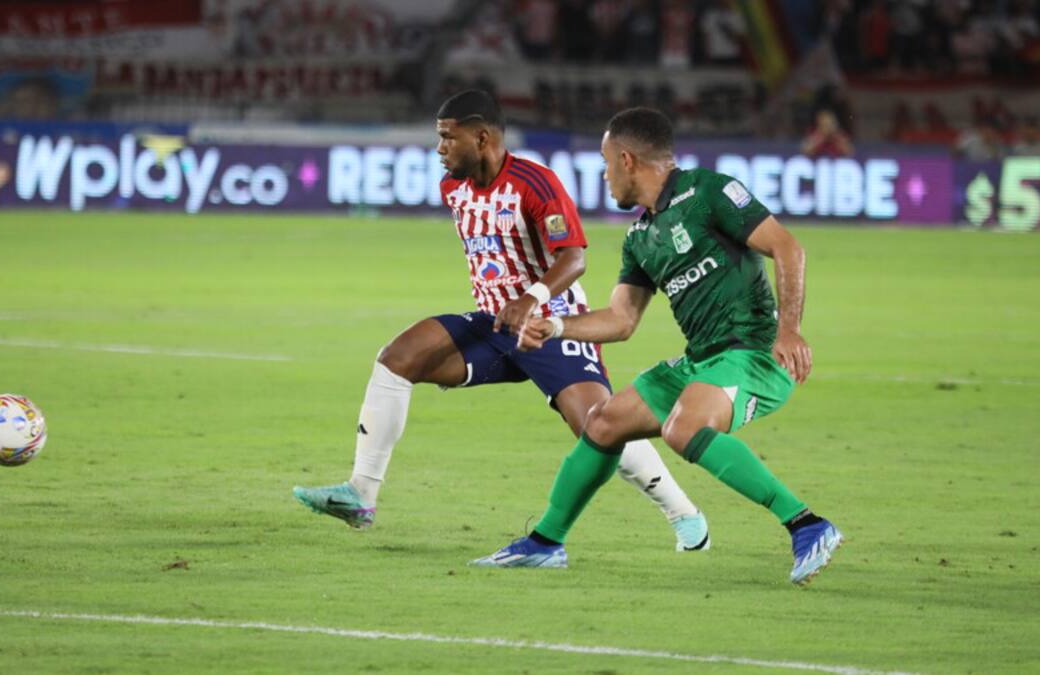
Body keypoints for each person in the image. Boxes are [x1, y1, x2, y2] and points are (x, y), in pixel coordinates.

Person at [293, 91, 711, 552]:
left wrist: (531, 300)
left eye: (448, 138)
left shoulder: (535, 182)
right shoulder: (453, 188)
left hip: (550, 323)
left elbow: (573, 258)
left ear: (482, 137)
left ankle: (685, 514)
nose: (440, 149)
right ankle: (361, 495)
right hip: (494, 325)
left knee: (598, 424)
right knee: (398, 358)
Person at [471, 107, 843, 585]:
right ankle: (545, 543)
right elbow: (622, 320)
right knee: (605, 421)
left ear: (627, 159)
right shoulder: (641, 237)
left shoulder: (710, 192)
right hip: (702, 361)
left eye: (606, 164)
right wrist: (557, 326)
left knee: (683, 427)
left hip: (755, 353)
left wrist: (789, 328)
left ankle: (807, 524)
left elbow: (788, 248)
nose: (604, 177)